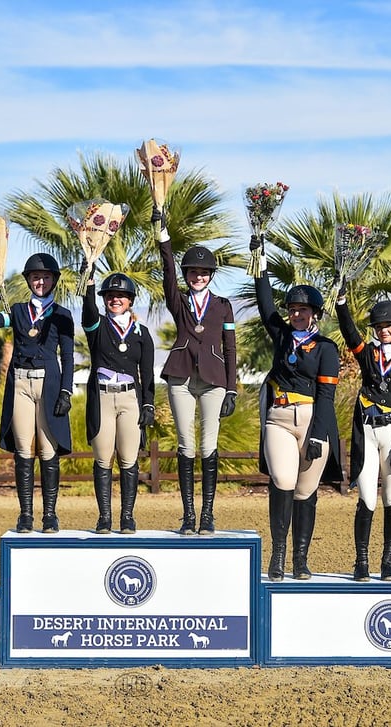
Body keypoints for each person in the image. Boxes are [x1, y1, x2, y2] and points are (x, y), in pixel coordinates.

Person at [251, 236, 341, 580]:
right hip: (279, 418)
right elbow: (264, 305)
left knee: (305, 491)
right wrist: (259, 261)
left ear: (314, 314)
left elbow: (327, 398)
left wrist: (319, 434)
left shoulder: (326, 348)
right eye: (292, 309)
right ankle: (278, 555)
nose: (296, 314)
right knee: (283, 479)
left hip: (313, 420)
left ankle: (300, 559)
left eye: (302, 310)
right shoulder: (282, 335)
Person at [154, 208, 237, 535]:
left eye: (204, 272)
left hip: (214, 381)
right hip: (181, 379)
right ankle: (188, 515)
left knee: (208, 446)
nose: (198, 277)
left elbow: (231, 348)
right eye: (193, 272)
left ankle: (208, 515)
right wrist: (165, 240)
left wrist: (232, 388)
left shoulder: (223, 306)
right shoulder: (179, 300)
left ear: (211, 275)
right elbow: (167, 275)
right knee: (186, 445)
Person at [0, 253, 74, 534]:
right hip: (20, 383)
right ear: (28, 281)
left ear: (54, 280)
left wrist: (66, 391)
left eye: (46, 277)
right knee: (23, 449)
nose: (41, 282)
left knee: (48, 449)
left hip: (48, 382)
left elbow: (68, 357)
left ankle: (49, 515)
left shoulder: (62, 315)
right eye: (35, 277)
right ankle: (25, 515)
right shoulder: (19, 312)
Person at [337, 292, 391, 582]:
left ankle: (388, 561)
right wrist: (342, 304)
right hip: (367, 433)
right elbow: (350, 334)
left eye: (390, 325)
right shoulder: (368, 355)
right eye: (379, 326)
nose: (383, 330)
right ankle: (361, 561)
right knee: (367, 498)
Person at [81, 271, 155, 534]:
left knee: (128, 458)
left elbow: (147, 373)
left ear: (130, 300)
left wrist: (149, 404)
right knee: (102, 458)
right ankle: (104, 517)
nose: (115, 299)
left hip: (129, 398)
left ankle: (127, 516)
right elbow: (88, 311)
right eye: (110, 295)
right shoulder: (97, 326)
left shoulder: (142, 333)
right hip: (102, 397)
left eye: (121, 296)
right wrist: (89, 282)